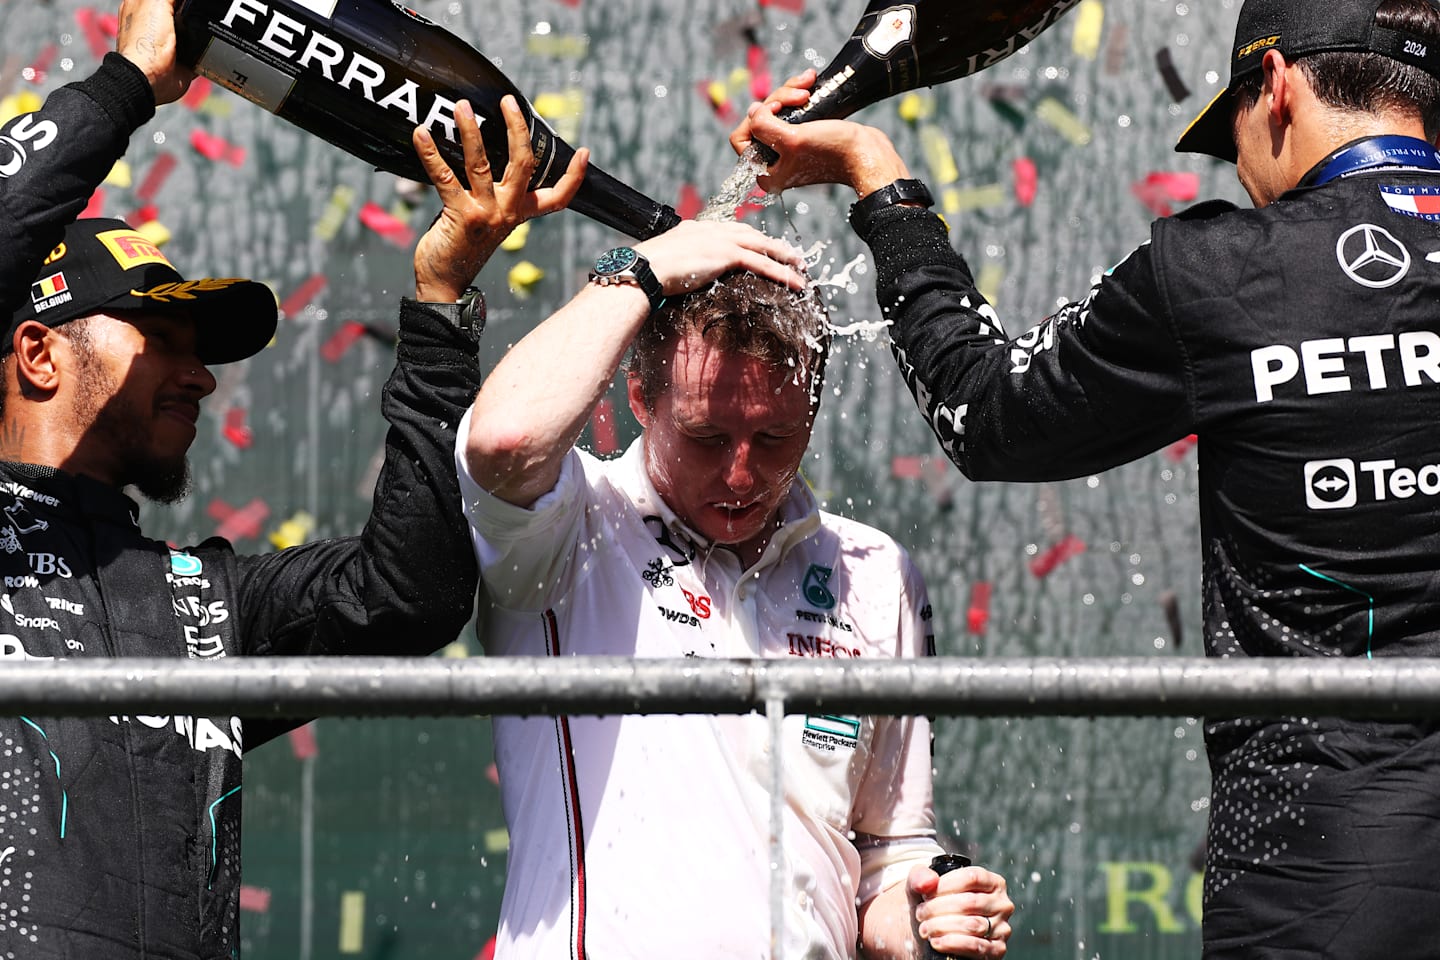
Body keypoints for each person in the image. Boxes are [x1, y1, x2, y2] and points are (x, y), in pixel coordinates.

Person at [732, 0, 1440, 955]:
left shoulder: (1219, 270)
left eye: (1233, 140)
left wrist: (878, 181)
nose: (1246, 180)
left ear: (1275, 87)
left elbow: (984, 416)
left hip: (1321, 870)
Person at [0, 1, 585, 956]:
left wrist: (439, 310)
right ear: (38, 354)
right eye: (163, 340)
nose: (199, 374)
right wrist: (127, 87)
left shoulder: (200, 604)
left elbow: (408, 598)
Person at [457, 222, 1015, 958]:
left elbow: (887, 856)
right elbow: (503, 443)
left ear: (812, 410)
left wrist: (928, 916)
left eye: (775, 439)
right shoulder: (572, 523)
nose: (742, 475)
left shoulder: (874, 570)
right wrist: (640, 269)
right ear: (640, 399)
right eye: (708, 438)